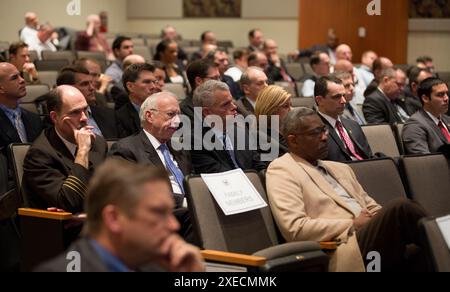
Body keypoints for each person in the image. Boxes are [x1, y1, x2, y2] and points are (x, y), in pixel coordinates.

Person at [266, 108, 429, 272]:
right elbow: (295, 228)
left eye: (324, 130)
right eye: (316, 133)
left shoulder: (340, 168)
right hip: (342, 247)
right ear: (293, 140)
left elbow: (370, 206)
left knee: (423, 251)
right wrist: (352, 224)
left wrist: (379, 219)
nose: (325, 137)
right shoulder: (282, 170)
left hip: (369, 238)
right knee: (400, 208)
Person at [36, 159, 204, 272]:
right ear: (113, 218)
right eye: (158, 213)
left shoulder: (162, 265)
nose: (173, 225)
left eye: (169, 212)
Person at [110, 92, 193, 240]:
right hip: (155, 217)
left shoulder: (179, 148)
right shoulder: (126, 149)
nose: (178, 121)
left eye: (178, 115)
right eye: (171, 114)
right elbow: (135, 193)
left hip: (187, 211)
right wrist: (186, 201)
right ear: (149, 116)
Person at [22, 85, 108, 213]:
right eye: (75, 112)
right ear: (54, 117)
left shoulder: (98, 143)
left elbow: (113, 192)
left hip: (94, 221)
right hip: (60, 229)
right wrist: (82, 151)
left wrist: (86, 215)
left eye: (85, 109)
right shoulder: (40, 154)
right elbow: (69, 202)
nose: (84, 118)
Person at [191, 80, 267, 173]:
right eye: (226, 104)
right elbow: (219, 177)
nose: (234, 107)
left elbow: (259, 165)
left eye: (232, 101)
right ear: (207, 112)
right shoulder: (195, 142)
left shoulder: (241, 131)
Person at [315, 76, 373, 162]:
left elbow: (369, 157)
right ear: (320, 100)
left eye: (343, 95)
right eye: (336, 97)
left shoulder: (353, 125)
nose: (343, 101)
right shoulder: (313, 130)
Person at [56, 66, 118, 139]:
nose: (92, 88)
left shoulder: (109, 115)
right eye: (84, 84)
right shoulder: (58, 121)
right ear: (67, 88)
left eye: (91, 83)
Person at [403, 77, 450, 154]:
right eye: (440, 95)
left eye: (446, 94)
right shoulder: (414, 125)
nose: (446, 98)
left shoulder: (447, 119)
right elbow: (424, 160)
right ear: (425, 98)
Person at [115, 63, 159, 138]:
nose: (153, 87)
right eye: (147, 82)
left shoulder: (163, 110)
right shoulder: (120, 118)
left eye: (154, 82)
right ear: (130, 86)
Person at [254, 85, 291, 158]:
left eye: (291, 105)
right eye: (286, 106)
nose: (291, 110)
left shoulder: (290, 132)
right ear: (271, 110)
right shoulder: (260, 138)